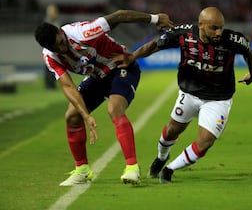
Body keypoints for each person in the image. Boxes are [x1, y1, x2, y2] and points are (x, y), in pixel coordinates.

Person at [34, 10, 174, 186]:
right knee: (72, 116)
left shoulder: (83, 33)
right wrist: (86, 116)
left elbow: (119, 16)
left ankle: (132, 168)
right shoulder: (50, 56)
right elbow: (68, 86)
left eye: (61, 43)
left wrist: (155, 19)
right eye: (56, 48)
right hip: (97, 77)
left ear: (60, 32)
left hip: (121, 67)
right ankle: (82, 171)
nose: (62, 49)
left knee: (114, 109)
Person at [117, 6, 252, 183]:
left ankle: (170, 169)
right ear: (201, 25)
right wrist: (132, 57)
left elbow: (249, 53)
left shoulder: (233, 40)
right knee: (172, 131)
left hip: (218, 99)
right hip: (189, 94)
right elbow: (155, 45)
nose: (219, 32)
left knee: (205, 142)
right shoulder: (184, 34)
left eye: (221, 27)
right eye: (214, 28)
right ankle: (161, 158)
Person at [43, 4, 61, 89]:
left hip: (54, 48)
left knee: (53, 67)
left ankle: (51, 84)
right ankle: (49, 85)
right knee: (49, 67)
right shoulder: (47, 23)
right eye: (54, 12)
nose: (55, 14)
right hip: (48, 48)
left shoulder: (56, 22)